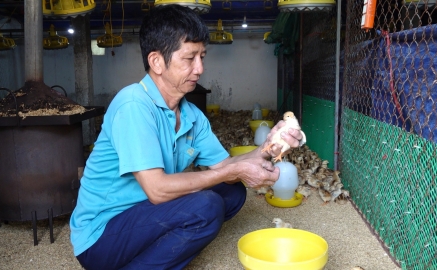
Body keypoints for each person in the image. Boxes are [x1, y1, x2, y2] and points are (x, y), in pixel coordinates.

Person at [70, 4, 304, 270]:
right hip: (103, 236)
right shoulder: (133, 105)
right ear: (157, 61)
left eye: (202, 57)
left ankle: (151, 255)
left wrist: (269, 147)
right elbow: (157, 189)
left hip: (144, 213)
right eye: (189, 58)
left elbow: (225, 167)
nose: (200, 68)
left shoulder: (190, 114)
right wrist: (233, 171)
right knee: (205, 207)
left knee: (232, 192)